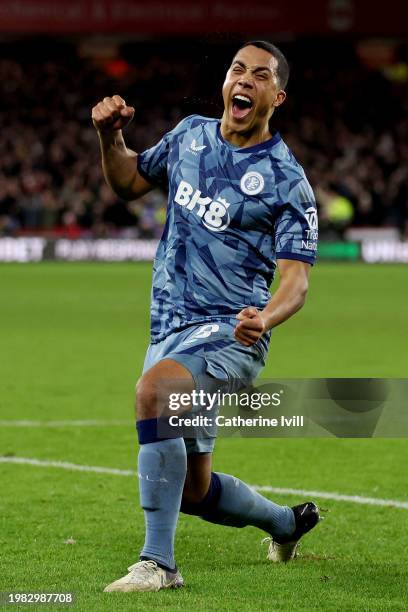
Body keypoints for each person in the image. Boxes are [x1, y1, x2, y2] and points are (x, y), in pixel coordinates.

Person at [92, 40, 320, 594]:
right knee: (193, 492)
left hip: (230, 334)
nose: (245, 79)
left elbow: (296, 280)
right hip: (168, 327)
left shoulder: (287, 181)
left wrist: (264, 319)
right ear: (225, 82)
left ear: (276, 95)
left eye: (260, 75)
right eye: (237, 69)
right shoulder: (189, 134)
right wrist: (110, 136)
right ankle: (287, 524)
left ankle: (159, 565)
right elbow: (128, 183)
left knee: (153, 392)